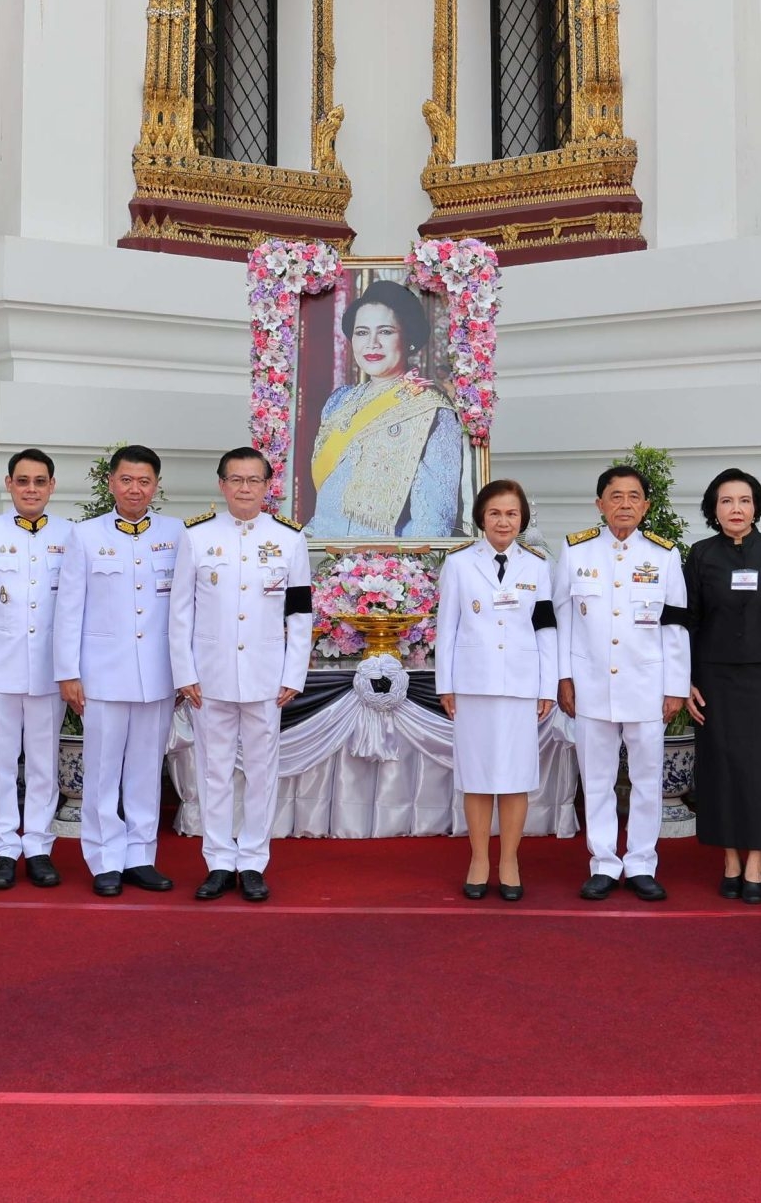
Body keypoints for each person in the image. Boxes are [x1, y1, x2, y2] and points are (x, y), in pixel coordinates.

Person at [170, 446, 312, 901]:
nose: (245, 488)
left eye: (253, 480)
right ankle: (217, 860)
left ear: (267, 486)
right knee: (212, 770)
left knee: (260, 770)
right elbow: (180, 612)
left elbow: (300, 613)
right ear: (221, 484)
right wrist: (183, 670)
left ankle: (252, 859)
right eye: (236, 480)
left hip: (266, 675)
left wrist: (294, 671)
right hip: (209, 676)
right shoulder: (197, 537)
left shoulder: (290, 539)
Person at [557, 464, 690, 903]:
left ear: (646, 505)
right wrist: (564, 677)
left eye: (634, 496)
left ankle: (640, 863)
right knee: (596, 779)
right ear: (600, 504)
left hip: (646, 686)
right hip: (591, 685)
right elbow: (562, 622)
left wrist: (676, 686)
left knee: (648, 778)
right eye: (616, 496)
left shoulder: (664, 555)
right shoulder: (576, 552)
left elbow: (675, 626)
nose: (625, 505)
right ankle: (603, 864)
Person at [55, 445, 185, 897]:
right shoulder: (85, 535)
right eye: (126, 480)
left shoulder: (176, 533)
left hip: (158, 675)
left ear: (156, 486)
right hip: (102, 675)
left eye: (144, 481)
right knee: (103, 770)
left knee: (147, 770)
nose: (135, 489)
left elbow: (185, 609)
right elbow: (69, 609)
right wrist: (68, 672)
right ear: (111, 482)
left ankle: (140, 855)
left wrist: (186, 671)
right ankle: (105, 858)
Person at [0, 449, 74, 891]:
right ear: (9, 484)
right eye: (23, 481)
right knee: (0, 763)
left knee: (43, 763)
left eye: (40, 481)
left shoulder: (69, 534)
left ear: (52, 486)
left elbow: (76, 608)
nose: (31, 489)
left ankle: (39, 847)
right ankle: (4, 847)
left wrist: (74, 669)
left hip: (48, 671)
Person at [433, 479, 559, 901]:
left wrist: (547, 686)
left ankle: (509, 860)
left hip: (521, 685)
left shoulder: (538, 566)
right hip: (473, 684)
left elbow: (546, 629)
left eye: (511, 513)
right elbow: (446, 627)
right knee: (477, 776)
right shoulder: (460, 564)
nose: (503, 521)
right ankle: (478, 859)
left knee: (516, 776)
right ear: (481, 519)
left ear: (522, 519)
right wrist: (445, 684)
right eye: (495, 513)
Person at [684, 468, 761, 904]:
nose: (736, 509)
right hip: (714, 679)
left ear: (757, 507)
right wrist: (688, 680)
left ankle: (756, 861)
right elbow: (690, 623)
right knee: (720, 769)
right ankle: (730, 860)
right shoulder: (700, 555)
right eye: (727, 501)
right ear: (713, 510)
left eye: (745, 501)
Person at [303, 279, 464, 540]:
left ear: (408, 337)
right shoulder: (339, 402)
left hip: (384, 567)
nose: (372, 343)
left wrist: (402, 572)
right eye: (362, 332)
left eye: (386, 332)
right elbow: (327, 500)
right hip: (320, 554)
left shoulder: (432, 411)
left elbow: (432, 522)